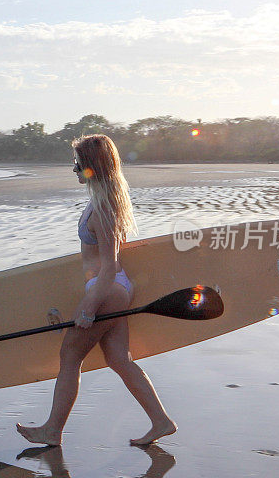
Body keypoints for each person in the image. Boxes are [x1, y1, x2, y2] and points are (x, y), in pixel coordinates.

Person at [17, 134, 176, 446]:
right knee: (118, 359)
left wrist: (89, 307)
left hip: (108, 289)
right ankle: (161, 421)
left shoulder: (103, 209)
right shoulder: (102, 202)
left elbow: (108, 265)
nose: (74, 170)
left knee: (70, 354)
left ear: (92, 168)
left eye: (78, 165)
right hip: (112, 288)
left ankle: (53, 430)